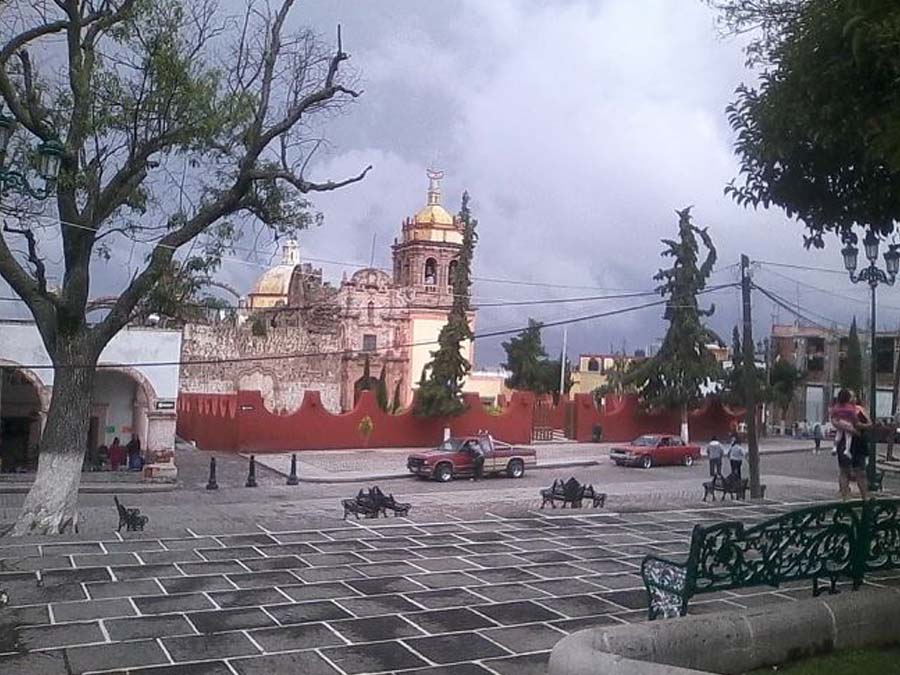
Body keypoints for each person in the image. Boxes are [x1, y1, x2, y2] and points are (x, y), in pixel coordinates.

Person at [830, 388, 871, 500]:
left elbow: (869, 423)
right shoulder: (840, 409)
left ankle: (865, 497)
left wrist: (858, 426)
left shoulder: (859, 409)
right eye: (851, 396)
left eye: (854, 396)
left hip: (859, 442)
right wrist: (851, 428)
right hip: (845, 442)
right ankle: (845, 497)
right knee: (844, 470)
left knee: (860, 471)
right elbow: (835, 422)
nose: (853, 398)